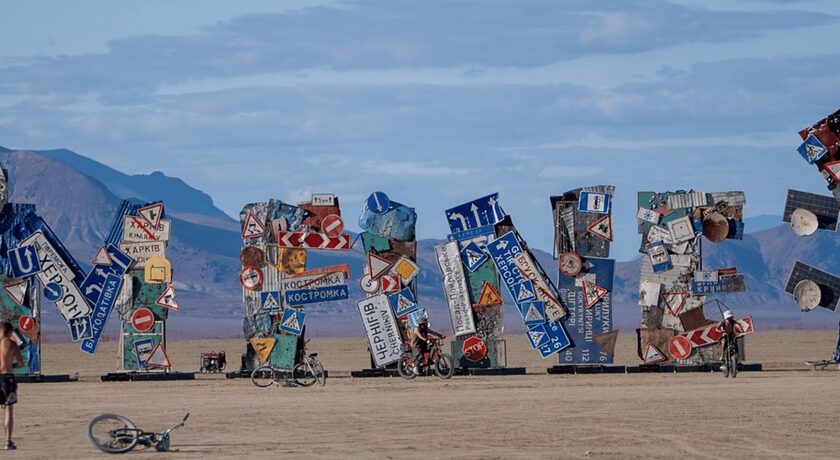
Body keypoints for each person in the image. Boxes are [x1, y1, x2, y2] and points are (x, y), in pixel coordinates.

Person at [0, 322, 23, 450]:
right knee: (8, 411)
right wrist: (10, 366)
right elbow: (20, 363)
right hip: (7, 378)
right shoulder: (12, 343)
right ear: (9, 332)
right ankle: (8, 441)